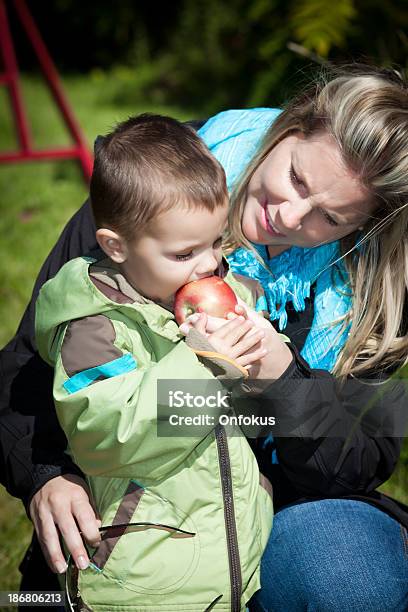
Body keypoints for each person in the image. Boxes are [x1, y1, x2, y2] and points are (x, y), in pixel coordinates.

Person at [1, 64, 407, 611]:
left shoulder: (373, 282)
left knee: (349, 577)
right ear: (289, 127)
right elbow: (30, 363)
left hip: (286, 503)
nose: (289, 216)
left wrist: (284, 381)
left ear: (364, 226)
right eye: (296, 178)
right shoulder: (160, 186)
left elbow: (364, 458)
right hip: (146, 500)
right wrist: (46, 475)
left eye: (329, 218)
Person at [34, 113, 279, 611]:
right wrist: (205, 363)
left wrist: (253, 332)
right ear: (115, 247)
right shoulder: (95, 328)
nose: (209, 265)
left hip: (223, 564)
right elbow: (108, 434)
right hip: (143, 580)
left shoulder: (186, 288)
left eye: (215, 242)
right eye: (186, 252)